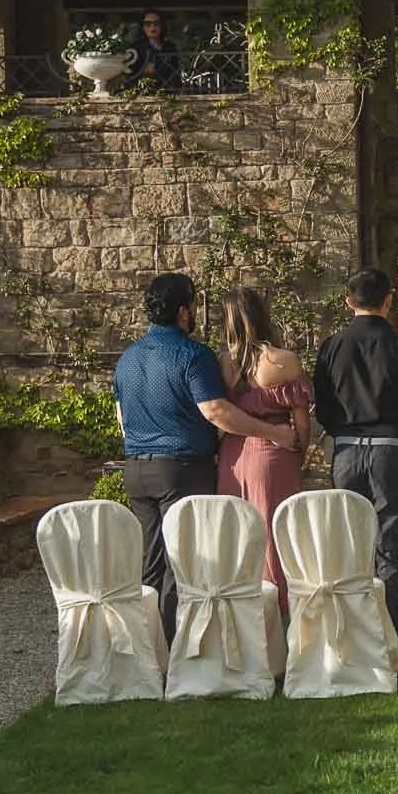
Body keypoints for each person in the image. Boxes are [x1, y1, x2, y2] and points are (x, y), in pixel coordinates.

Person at [113, 273, 291, 640]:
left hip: (136, 468)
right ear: (183, 311)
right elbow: (216, 411)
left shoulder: (127, 358)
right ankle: (182, 648)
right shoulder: (192, 355)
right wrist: (273, 432)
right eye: (194, 304)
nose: (195, 311)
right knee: (186, 563)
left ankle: (149, 648)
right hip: (180, 470)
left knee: (150, 566)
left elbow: (121, 417)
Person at [312, 267, 398, 641]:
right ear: (388, 301)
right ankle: (388, 642)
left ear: (348, 301)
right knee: (390, 552)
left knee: (350, 550)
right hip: (392, 451)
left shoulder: (332, 347)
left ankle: (351, 641)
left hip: (348, 450)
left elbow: (324, 409)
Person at [216, 286, 312, 615]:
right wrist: (297, 455)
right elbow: (302, 424)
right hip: (274, 453)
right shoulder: (283, 361)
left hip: (232, 455)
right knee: (276, 532)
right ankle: (280, 605)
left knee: (239, 532)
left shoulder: (221, 364)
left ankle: (241, 606)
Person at [128, 9, 181, 91]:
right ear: (142, 27)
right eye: (148, 24)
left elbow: (175, 72)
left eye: (156, 23)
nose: (152, 27)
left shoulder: (170, 47)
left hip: (167, 92)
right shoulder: (135, 48)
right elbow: (130, 74)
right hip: (142, 92)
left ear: (161, 26)